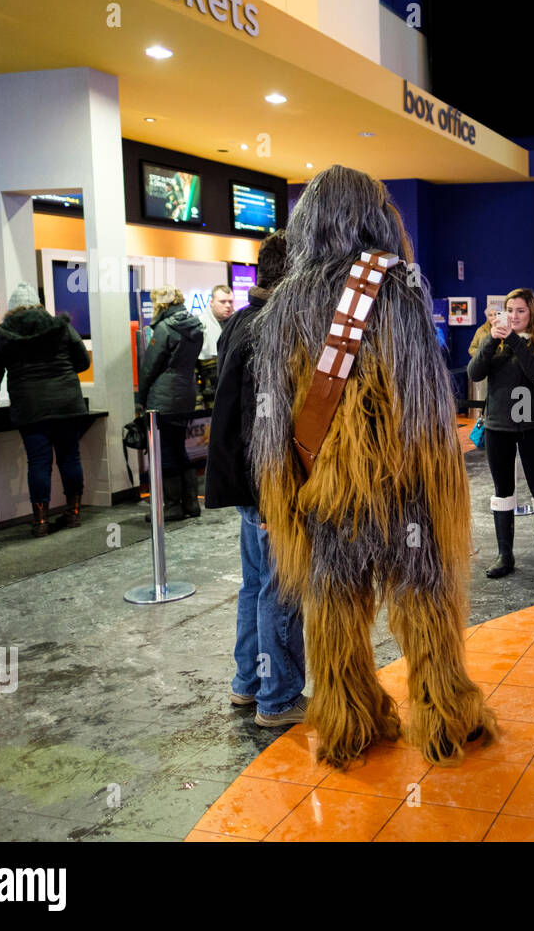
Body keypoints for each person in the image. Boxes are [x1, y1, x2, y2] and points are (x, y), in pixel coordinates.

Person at [249, 164, 496, 767]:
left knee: (333, 606)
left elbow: (271, 423)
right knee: (425, 597)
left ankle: (345, 723)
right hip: (406, 487)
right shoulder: (397, 285)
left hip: (323, 489)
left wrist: (289, 497)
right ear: (376, 218)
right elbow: (426, 408)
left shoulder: (281, 305)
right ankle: (444, 715)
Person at [204, 231, 306, 726]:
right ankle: (279, 697)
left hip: (245, 481)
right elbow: (260, 420)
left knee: (255, 586)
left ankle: (248, 684)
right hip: (268, 485)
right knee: (279, 589)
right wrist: (273, 496)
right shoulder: (275, 328)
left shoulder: (241, 321)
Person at [0, 283, 90, 537]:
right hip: (67, 404)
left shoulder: (4, 334)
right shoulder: (61, 326)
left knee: (38, 462)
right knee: (70, 457)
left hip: (30, 408)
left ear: (12, 308)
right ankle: (72, 514)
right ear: (39, 304)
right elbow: (83, 360)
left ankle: (40, 521)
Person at [467, 289, 534, 580]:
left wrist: (514, 340)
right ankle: (504, 555)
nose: (515, 316)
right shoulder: (492, 341)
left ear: (532, 313)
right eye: (510, 310)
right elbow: (475, 373)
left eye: (521, 310)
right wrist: (491, 340)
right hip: (498, 427)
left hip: (533, 427)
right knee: (502, 493)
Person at [138, 286, 204, 522]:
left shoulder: (165, 329)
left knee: (165, 452)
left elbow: (149, 367)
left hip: (163, 397)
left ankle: (173, 506)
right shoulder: (195, 326)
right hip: (186, 393)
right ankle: (192, 503)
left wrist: (141, 399)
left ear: (161, 304)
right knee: (180, 449)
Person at [466, 303, 499, 405]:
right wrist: (482, 355)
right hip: (483, 368)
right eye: (490, 315)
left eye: (496, 314)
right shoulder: (480, 330)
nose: (493, 317)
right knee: (483, 397)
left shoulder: (505, 330)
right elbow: (471, 348)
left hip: (499, 368)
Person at [198, 284, 233, 361]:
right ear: (212, 302)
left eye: (230, 302)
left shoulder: (238, 323)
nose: (228, 305)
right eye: (222, 302)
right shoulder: (200, 324)